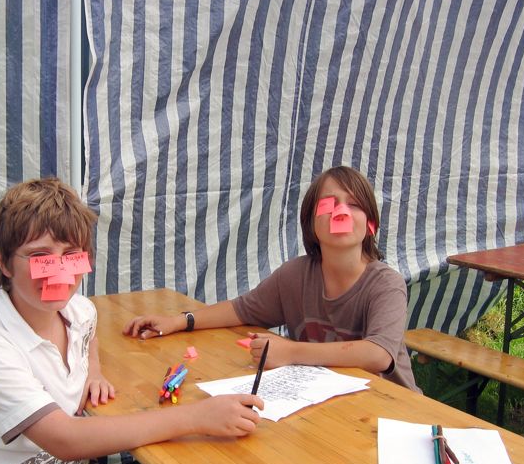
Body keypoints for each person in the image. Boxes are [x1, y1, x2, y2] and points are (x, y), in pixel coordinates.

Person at [0, 178, 263, 464]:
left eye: (72, 254)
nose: (59, 271)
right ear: (3, 261)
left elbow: (90, 331)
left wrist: (92, 371)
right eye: (40, 256)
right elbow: (65, 440)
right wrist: (197, 417)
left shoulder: (79, 311)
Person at [124, 166, 420, 392]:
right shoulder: (295, 276)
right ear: (310, 223)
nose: (341, 211)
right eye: (329, 204)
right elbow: (241, 309)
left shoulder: (386, 284)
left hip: (395, 413)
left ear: (371, 223)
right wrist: (179, 321)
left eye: (354, 204)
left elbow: (378, 355)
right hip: (328, 403)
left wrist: (290, 352)